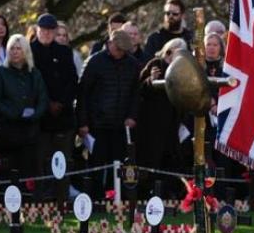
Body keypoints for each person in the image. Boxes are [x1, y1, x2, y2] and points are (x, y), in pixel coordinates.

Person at [77, 30, 139, 198]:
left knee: (118, 166)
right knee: (96, 166)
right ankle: (94, 199)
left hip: (121, 126)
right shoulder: (94, 62)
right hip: (97, 124)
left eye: (123, 51)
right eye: (118, 49)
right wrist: (82, 123)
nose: (120, 54)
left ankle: (114, 198)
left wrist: (132, 116)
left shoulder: (133, 64)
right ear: (110, 43)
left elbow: (135, 93)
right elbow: (83, 94)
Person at [0, 35, 48, 193]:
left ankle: (28, 198)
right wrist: (13, 114)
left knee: (28, 167)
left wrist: (35, 115)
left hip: (30, 130)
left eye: (18, 48)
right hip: (8, 131)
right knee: (9, 168)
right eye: (12, 49)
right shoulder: (0, 72)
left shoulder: (34, 73)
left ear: (25, 51)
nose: (15, 52)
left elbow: (42, 98)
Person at [31, 14, 79, 201]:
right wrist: (47, 103)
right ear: (37, 30)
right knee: (40, 160)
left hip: (62, 116)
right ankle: (40, 197)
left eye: (50, 30)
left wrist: (61, 102)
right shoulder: (30, 51)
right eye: (43, 30)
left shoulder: (64, 52)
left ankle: (61, 197)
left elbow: (72, 81)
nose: (47, 34)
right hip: (40, 116)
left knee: (62, 160)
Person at [136, 38, 188, 197]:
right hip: (152, 123)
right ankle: (149, 193)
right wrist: (151, 81)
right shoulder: (156, 64)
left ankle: (169, 192)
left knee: (170, 159)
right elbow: (140, 88)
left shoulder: (182, 70)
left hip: (171, 123)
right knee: (152, 159)